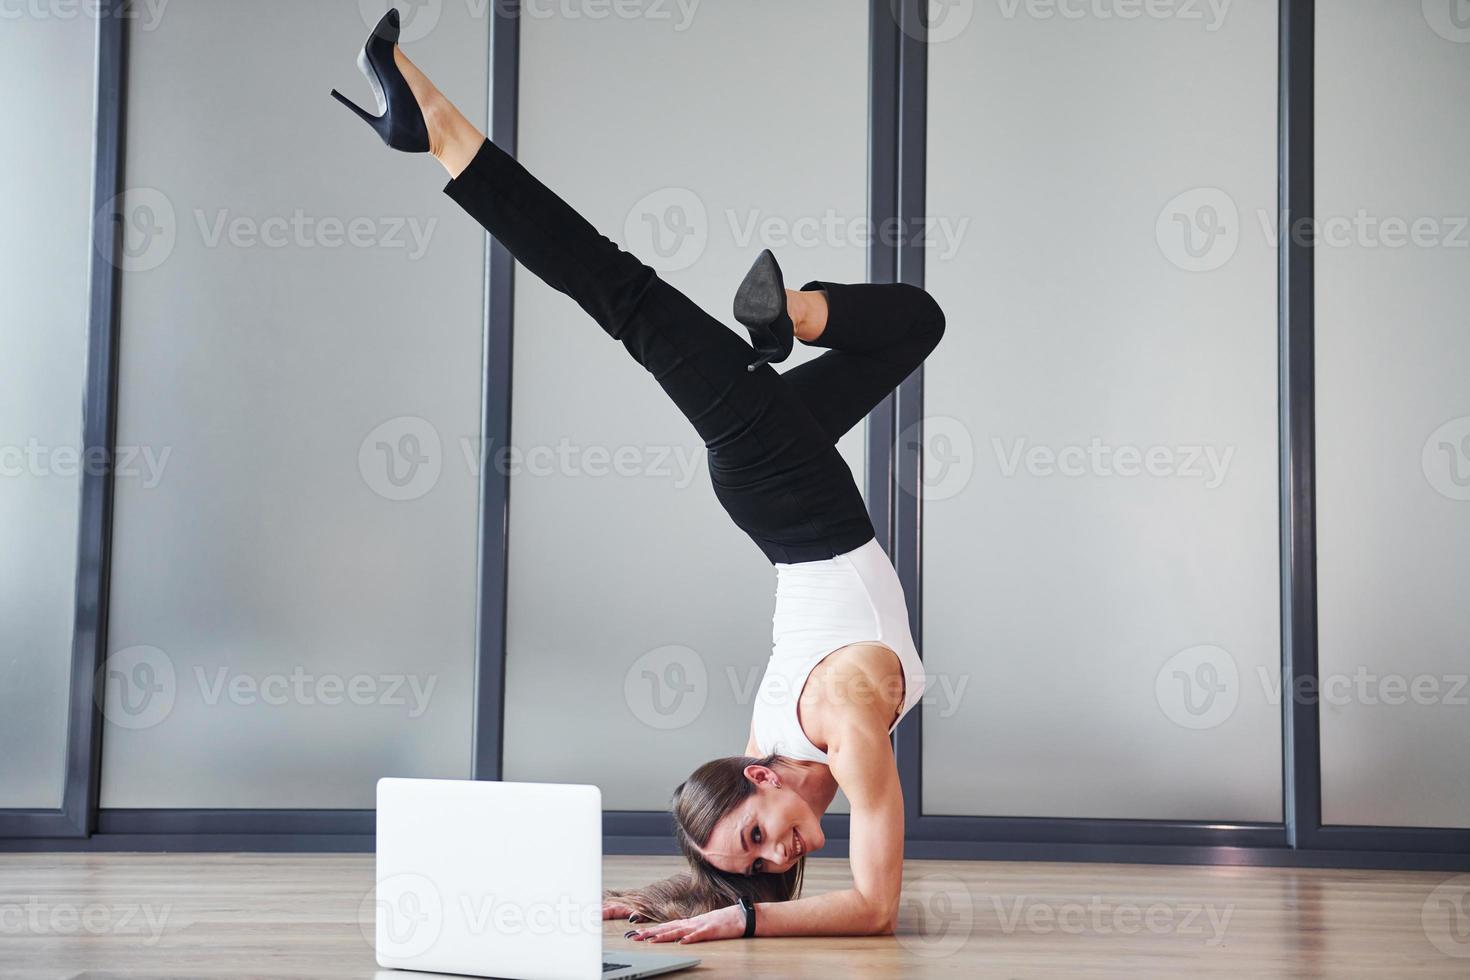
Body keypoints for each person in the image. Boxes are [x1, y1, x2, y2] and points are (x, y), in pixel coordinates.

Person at [334, 9, 945, 944]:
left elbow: (874, 909)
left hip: (784, 486)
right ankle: (786, 316)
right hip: (783, 493)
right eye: (767, 866)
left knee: (618, 291)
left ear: (762, 780)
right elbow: (769, 865)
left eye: (759, 840)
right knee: (915, 326)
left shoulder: (845, 726)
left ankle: (438, 134)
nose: (781, 856)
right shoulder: (795, 763)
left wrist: (738, 926)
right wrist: (676, 900)